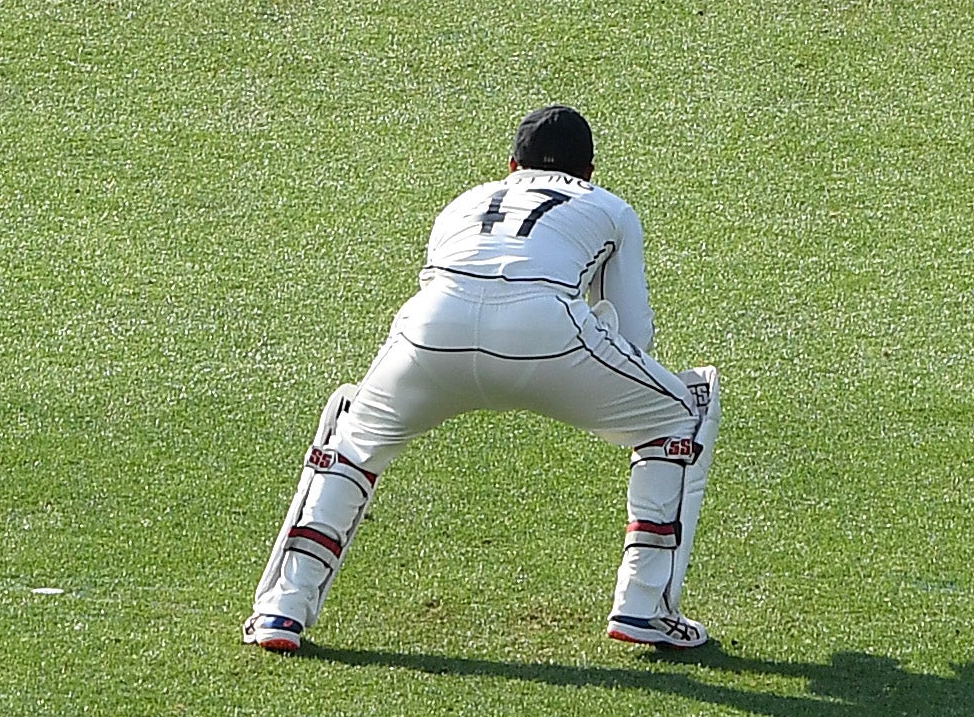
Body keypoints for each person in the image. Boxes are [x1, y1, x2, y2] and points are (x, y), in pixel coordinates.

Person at [242, 106, 725, 655]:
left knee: (351, 437)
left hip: (430, 334)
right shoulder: (609, 207)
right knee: (685, 409)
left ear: (511, 165)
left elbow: (444, 287)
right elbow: (635, 336)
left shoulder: (465, 201)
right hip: (547, 334)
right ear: (589, 171)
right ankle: (645, 607)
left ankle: (281, 610)